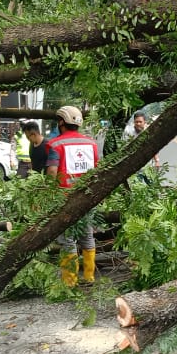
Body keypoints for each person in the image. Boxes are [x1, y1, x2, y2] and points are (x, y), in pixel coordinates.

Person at [46, 106, 100, 285]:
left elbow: (52, 171)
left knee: (68, 238)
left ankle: (70, 281)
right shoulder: (91, 144)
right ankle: (89, 277)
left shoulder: (56, 144)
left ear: (61, 121)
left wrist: (47, 195)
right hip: (88, 197)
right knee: (87, 235)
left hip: (65, 198)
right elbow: (98, 169)